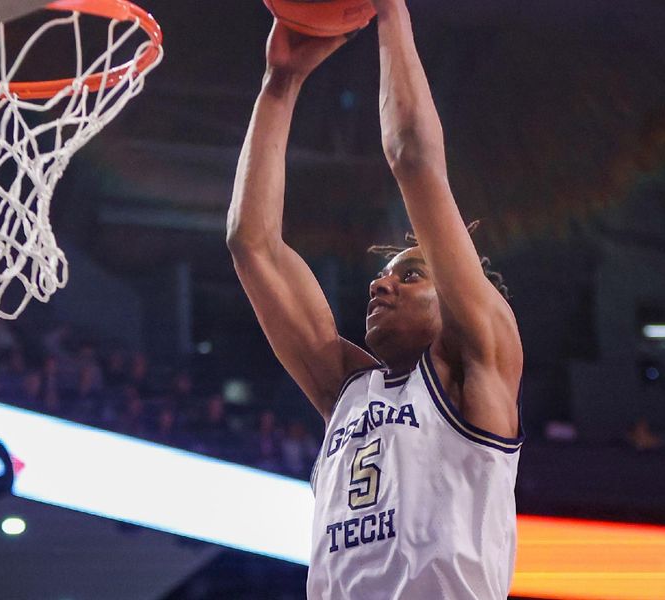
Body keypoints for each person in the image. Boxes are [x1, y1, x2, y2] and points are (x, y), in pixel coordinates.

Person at [226, 1, 524, 598]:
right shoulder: (349, 389)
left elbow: (413, 158)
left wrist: (389, 10)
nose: (380, 283)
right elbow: (250, 243)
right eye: (385, 275)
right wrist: (279, 86)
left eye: (410, 275)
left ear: (459, 298)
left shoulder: (478, 365)